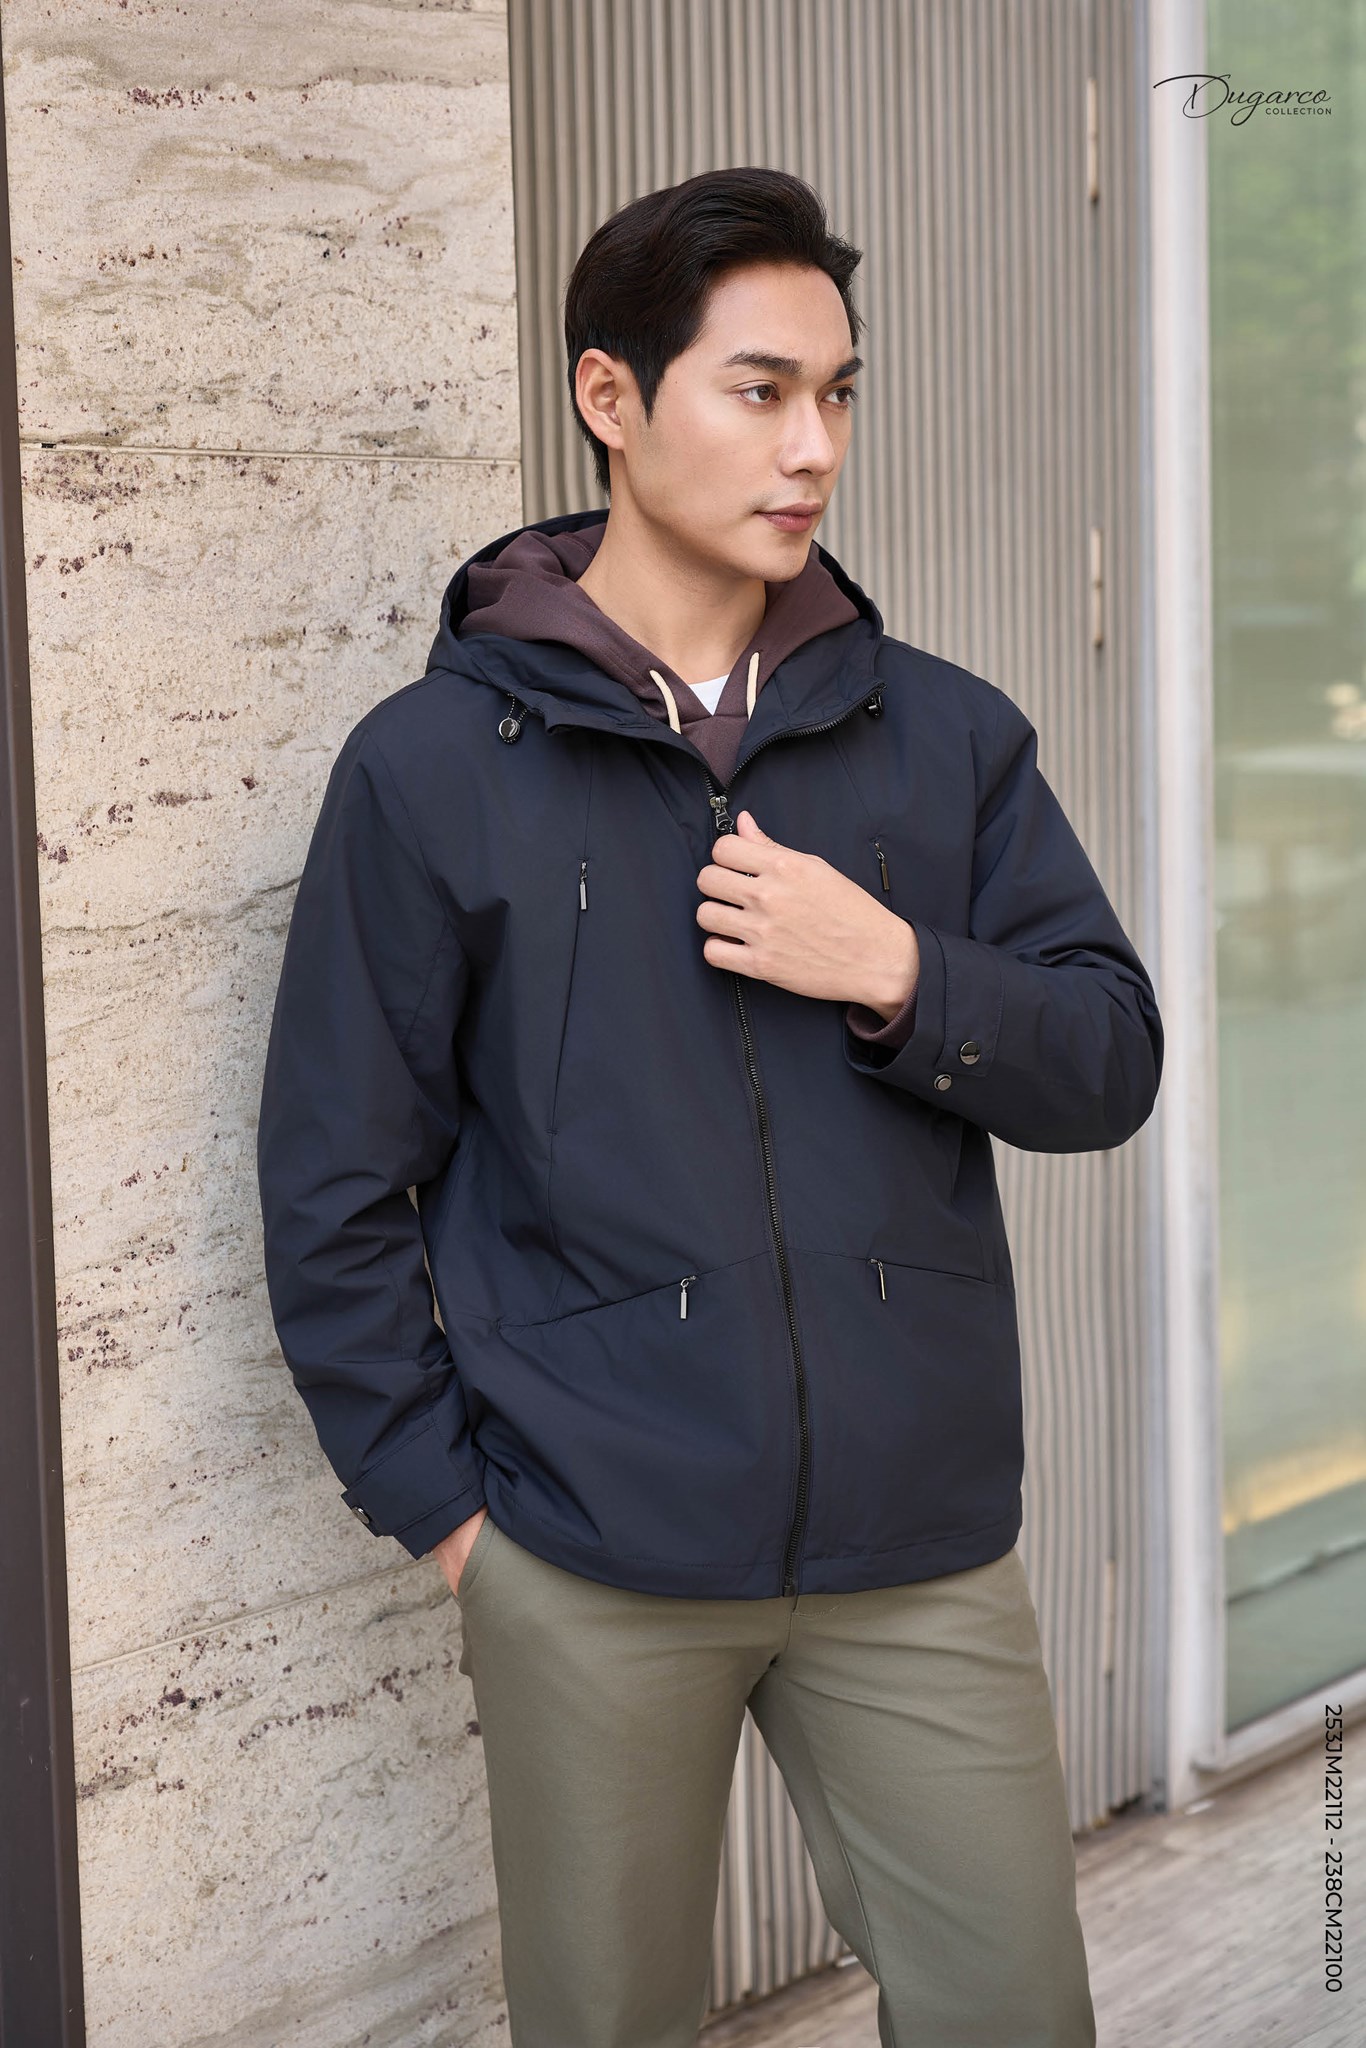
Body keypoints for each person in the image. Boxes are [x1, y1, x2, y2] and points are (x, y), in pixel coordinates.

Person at [256, 166, 1161, 2048]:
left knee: (1015, 2017)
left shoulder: (943, 735)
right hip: (588, 1551)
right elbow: (334, 1175)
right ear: (611, 395)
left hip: (917, 1549)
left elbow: (1107, 1058)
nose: (810, 445)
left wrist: (892, 966)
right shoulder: (433, 769)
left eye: (836, 394)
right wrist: (452, 1521)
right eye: (758, 390)